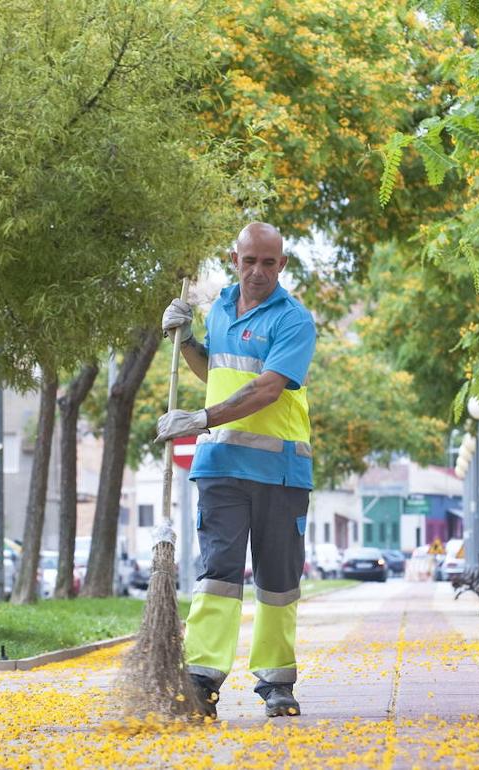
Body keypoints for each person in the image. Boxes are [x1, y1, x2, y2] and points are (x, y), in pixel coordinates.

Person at [155, 222, 317, 719]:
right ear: (234, 259)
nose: (258, 271)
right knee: (218, 575)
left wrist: (200, 418)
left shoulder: (294, 320)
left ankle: (276, 682)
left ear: (282, 265)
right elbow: (217, 372)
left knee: (277, 580)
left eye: (269, 262)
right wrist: (183, 342)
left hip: (279, 471)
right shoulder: (221, 309)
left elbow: (267, 388)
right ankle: (202, 677)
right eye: (250, 261)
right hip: (221, 465)